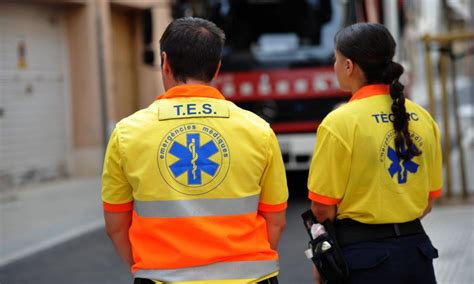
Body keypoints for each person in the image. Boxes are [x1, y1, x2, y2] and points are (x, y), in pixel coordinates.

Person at [102, 17, 288, 284]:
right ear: (217, 68)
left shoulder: (127, 133)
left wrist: (149, 268)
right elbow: (276, 221)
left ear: (164, 62)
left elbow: (116, 226)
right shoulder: (258, 130)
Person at [307, 23, 442, 284]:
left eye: (335, 60)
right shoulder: (423, 118)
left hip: (362, 261)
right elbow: (428, 200)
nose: (334, 67)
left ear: (349, 66)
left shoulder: (339, 123)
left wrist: (323, 257)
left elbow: (322, 208)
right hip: (418, 255)